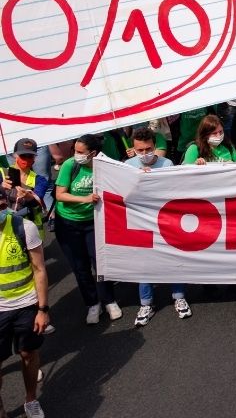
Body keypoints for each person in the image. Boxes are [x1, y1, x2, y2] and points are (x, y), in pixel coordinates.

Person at [124, 128, 192, 326]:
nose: (144, 154)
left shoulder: (167, 164)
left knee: (172, 258)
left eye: (148, 149)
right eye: (140, 151)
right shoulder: (128, 166)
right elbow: (122, 194)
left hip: (166, 222)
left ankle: (178, 296)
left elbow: (175, 191)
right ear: (133, 149)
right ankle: (146, 303)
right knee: (144, 263)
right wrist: (138, 180)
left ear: (155, 146)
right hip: (141, 223)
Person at [55, 134, 120, 324]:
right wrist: (84, 199)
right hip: (68, 223)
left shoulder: (104, 166)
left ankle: (109, 300)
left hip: (93, 222)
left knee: (100, 261)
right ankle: (92, 303)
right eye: (75, 150)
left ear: (93, 153)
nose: (76, 155)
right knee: (79, 266)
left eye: (80, 152)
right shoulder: (70, 165)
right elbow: (60, 195)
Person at [0, 183, 49, 418]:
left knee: (28, 354)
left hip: (25, 305)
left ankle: (31, 399)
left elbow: (39, 270)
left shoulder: (24, 227)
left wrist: (42, 309)